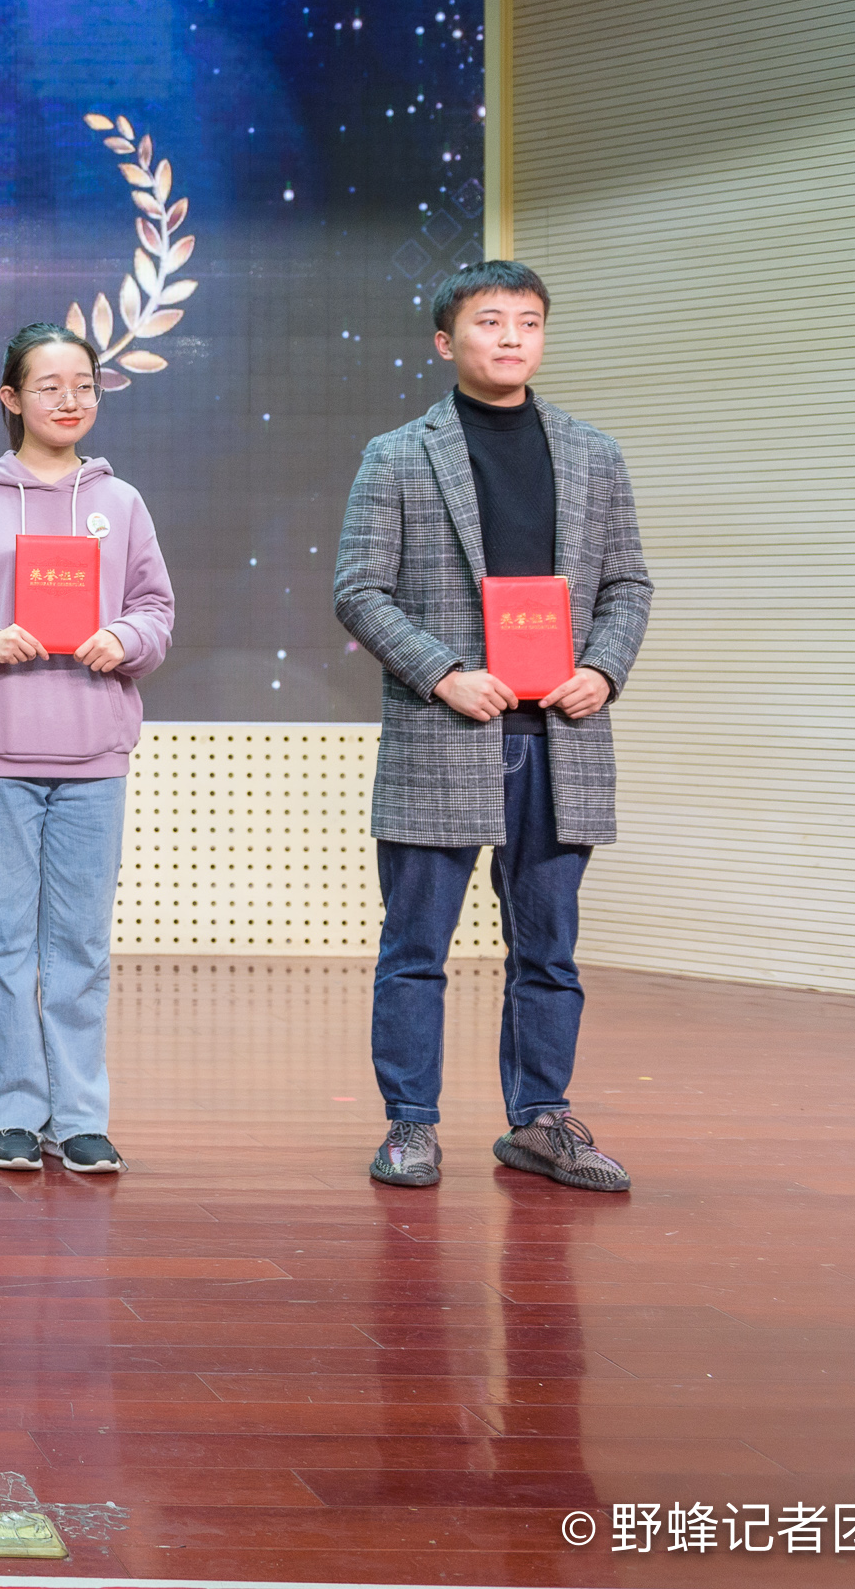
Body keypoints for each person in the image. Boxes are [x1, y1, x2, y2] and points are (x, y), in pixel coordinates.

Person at [335, 260, 652, 1192]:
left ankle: (541, 1122)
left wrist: (602, 669)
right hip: (447, 732)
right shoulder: (398, 454)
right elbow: (359, 589)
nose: (511, 336)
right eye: (489, 321)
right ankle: (410, 1125)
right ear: (446, 341)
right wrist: (444, 674)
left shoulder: (594, 455)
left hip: (561, 738)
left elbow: (628, 583)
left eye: (528, 322)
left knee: (549, 952)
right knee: (416, 950)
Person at [0, 322, 176, 1176]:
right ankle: (15, 1114)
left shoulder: (121, 503)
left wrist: (123, 639)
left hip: (93, 754)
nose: (70, 400)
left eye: (84, 385)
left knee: (80, 949)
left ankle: (81, 1117)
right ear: (11, 397)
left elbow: (156, 611)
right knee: (0, 944)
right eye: (49, 386)